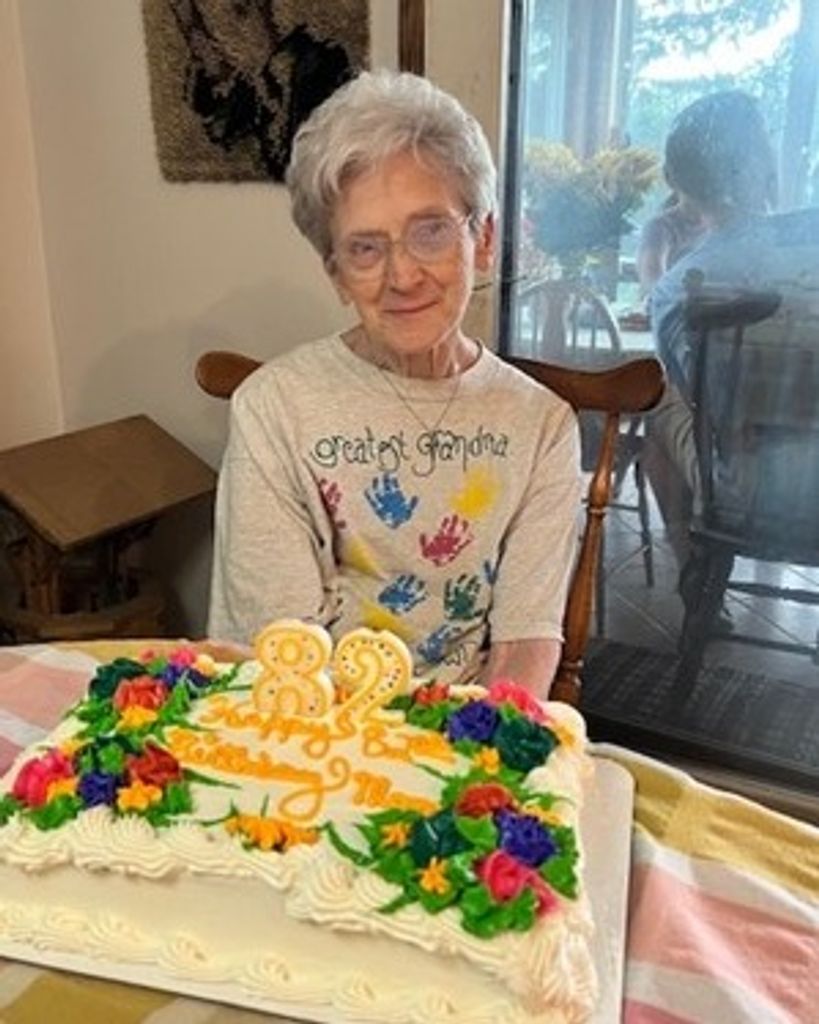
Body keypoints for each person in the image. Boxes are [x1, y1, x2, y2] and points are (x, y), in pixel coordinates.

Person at [208, 70, 582, 696]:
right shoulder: (273, 408)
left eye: (431, 229)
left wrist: (480, 742)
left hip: (464, 725)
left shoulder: (541, 425)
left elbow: (524, 645)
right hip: (315, 721)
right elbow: (280, 651)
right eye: (365, 248)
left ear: (483, 239)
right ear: (335, 272)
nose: (402, 275)